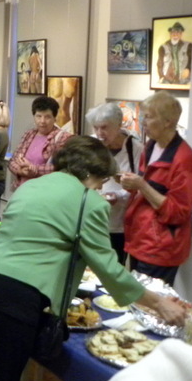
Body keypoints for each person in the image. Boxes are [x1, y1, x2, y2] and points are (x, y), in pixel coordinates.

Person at [0, 136, 188, 381]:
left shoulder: (32, 185)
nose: (101, 188)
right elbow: (109, 268)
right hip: (17, 296)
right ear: (91, 173)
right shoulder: (88, 201)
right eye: (101, 181)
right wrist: (159, 303)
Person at [121, 91, 192, 285]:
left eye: (149, 117)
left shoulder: (184, 158)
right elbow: (145, 189)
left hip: (160, 246)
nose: (143, 122)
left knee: (151, 302)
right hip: (139, 238)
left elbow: (178, 212)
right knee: (135, 297)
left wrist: (141, 185)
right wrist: (130, 184)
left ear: (168, 122)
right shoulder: (150, 146)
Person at [86, 102, 141, 265]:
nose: (99, 133)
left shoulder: (135, 149)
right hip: (91, 221)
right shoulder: (91, 145)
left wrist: (119, 194)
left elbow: (141, 186)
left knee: (114, 266)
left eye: (104, 127)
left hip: (119, 225)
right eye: (96, 128)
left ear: (118, 125)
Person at [8, 95, 73, 191]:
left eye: (47, 117)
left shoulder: (63, 138)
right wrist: (20, 170)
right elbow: (12, 161)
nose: (42, 121)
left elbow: (60, 168)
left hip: (45, 191)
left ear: (54, 118)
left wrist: (34, 170)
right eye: (38, 116)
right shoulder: (29, 134)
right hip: (22, 189)